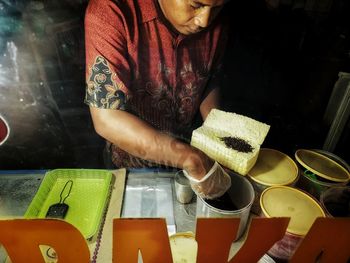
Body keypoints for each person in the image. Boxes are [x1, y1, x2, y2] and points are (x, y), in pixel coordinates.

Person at [84, 0, 230, 192]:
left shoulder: (215, 20)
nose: (204, 21)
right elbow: (106, 118)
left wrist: (219, 139)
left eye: (217, 8)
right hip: (131, 165)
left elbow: (209, 79)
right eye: (196, 5)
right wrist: (190, 158)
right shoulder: (111, 11)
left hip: (193, 152)